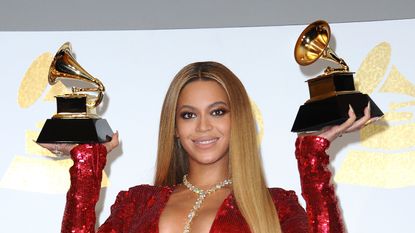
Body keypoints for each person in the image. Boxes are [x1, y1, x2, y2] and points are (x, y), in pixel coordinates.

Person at [41, 61, 372, 233]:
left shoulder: (276, 208)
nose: (202, 127)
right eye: (188, 115)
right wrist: (85, 167)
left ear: (237, 120)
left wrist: (313, 157)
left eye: (218, 112)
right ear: (174, 127)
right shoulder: (136, 204)